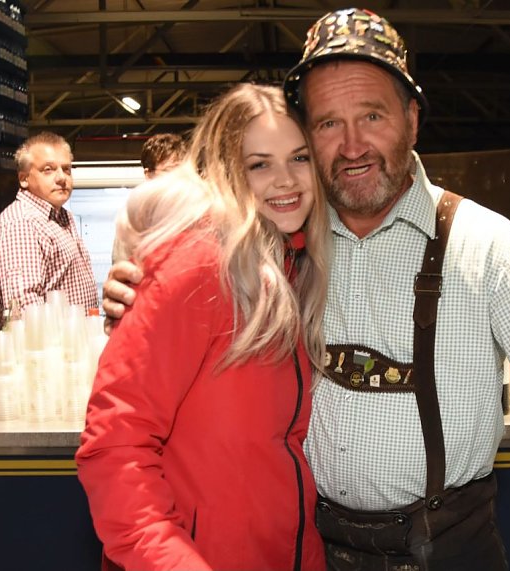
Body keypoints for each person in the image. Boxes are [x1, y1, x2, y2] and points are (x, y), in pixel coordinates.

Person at [102, 8, 510, 571]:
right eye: (328, 124)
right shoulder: (280, 244)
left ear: (412, 118)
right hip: (320, 549)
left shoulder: (486, 246)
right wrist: (141, 288)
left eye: (372, 116)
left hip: (451, 548)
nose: (352, 145)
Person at [76, 83, 329, 571]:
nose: (286, 180)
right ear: (228, 172)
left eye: (299, 158)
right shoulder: (199, 266)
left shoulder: (294, 266)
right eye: (260, 164)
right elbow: (115, 445)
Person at [0, 131, 98, 324]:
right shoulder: (21, 223)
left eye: (66, 169)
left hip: (73, 339)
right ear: (24, 179)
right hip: (51, 343)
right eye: (48, 170)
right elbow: (25, 309)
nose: (61, 178)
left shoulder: (61, 216)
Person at [112, 133, 189, 263]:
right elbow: (122, 264)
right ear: (148, 174)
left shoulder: (194, 211)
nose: (177, 178)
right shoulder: (133, 217)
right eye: (169, 170)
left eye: (182, 171)